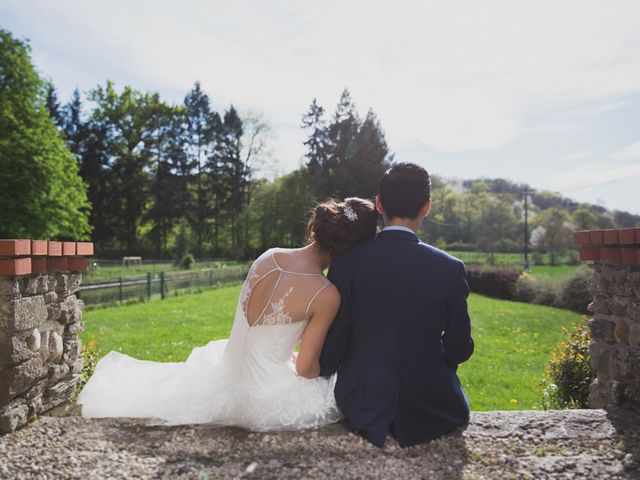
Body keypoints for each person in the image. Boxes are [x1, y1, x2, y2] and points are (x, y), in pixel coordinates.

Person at [77, 197, 379, 431]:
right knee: (334, 390)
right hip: (266, 399)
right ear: (352, 249)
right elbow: (305, 368)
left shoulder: (269, 256)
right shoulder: (326, 294)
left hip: (224, 375)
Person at [319, 163, 474, 448]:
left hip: (362, 402)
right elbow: (459, 349)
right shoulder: (451, 268)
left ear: (378, 204)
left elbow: (335, 344)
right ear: (426, 207)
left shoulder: (347, 262)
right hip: (433, 404)